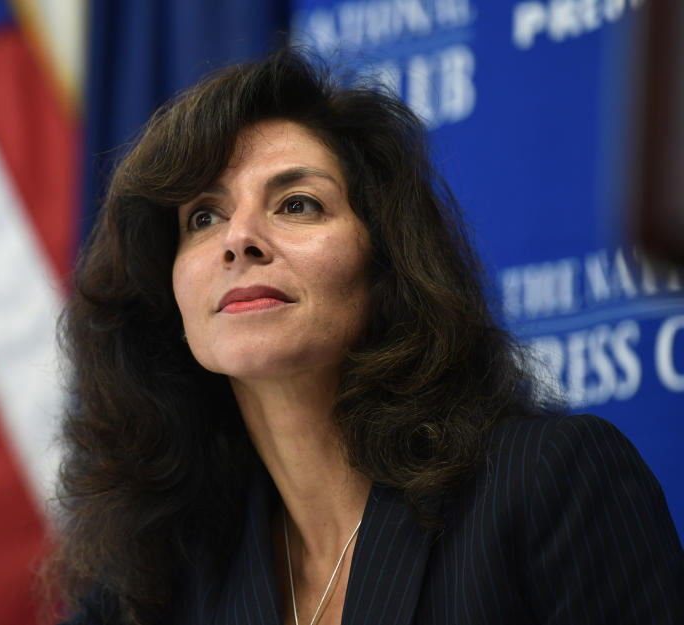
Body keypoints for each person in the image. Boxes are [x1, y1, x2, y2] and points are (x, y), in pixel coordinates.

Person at [53, 49, 684, 625]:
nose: (237, 238)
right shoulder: (154, 588)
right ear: (170, 296)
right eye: (204, 216)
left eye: (297, 203)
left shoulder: (551, 483)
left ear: (387, 263)